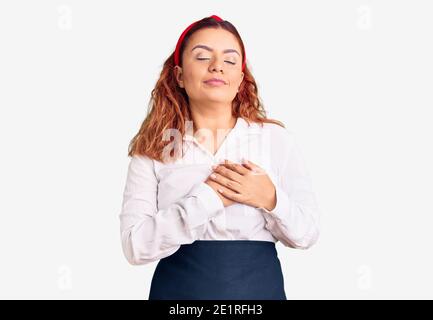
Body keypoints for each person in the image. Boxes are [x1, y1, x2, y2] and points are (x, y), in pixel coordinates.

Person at [119, 15, 320, 300]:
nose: (217, 67)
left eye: (229, 61)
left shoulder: (276, 140)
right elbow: (135, 247)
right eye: (202, 57)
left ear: (240, 78)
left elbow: (307, 233)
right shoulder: (153, 150)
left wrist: (269, 198)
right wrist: (207, 201)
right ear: (178, 76)